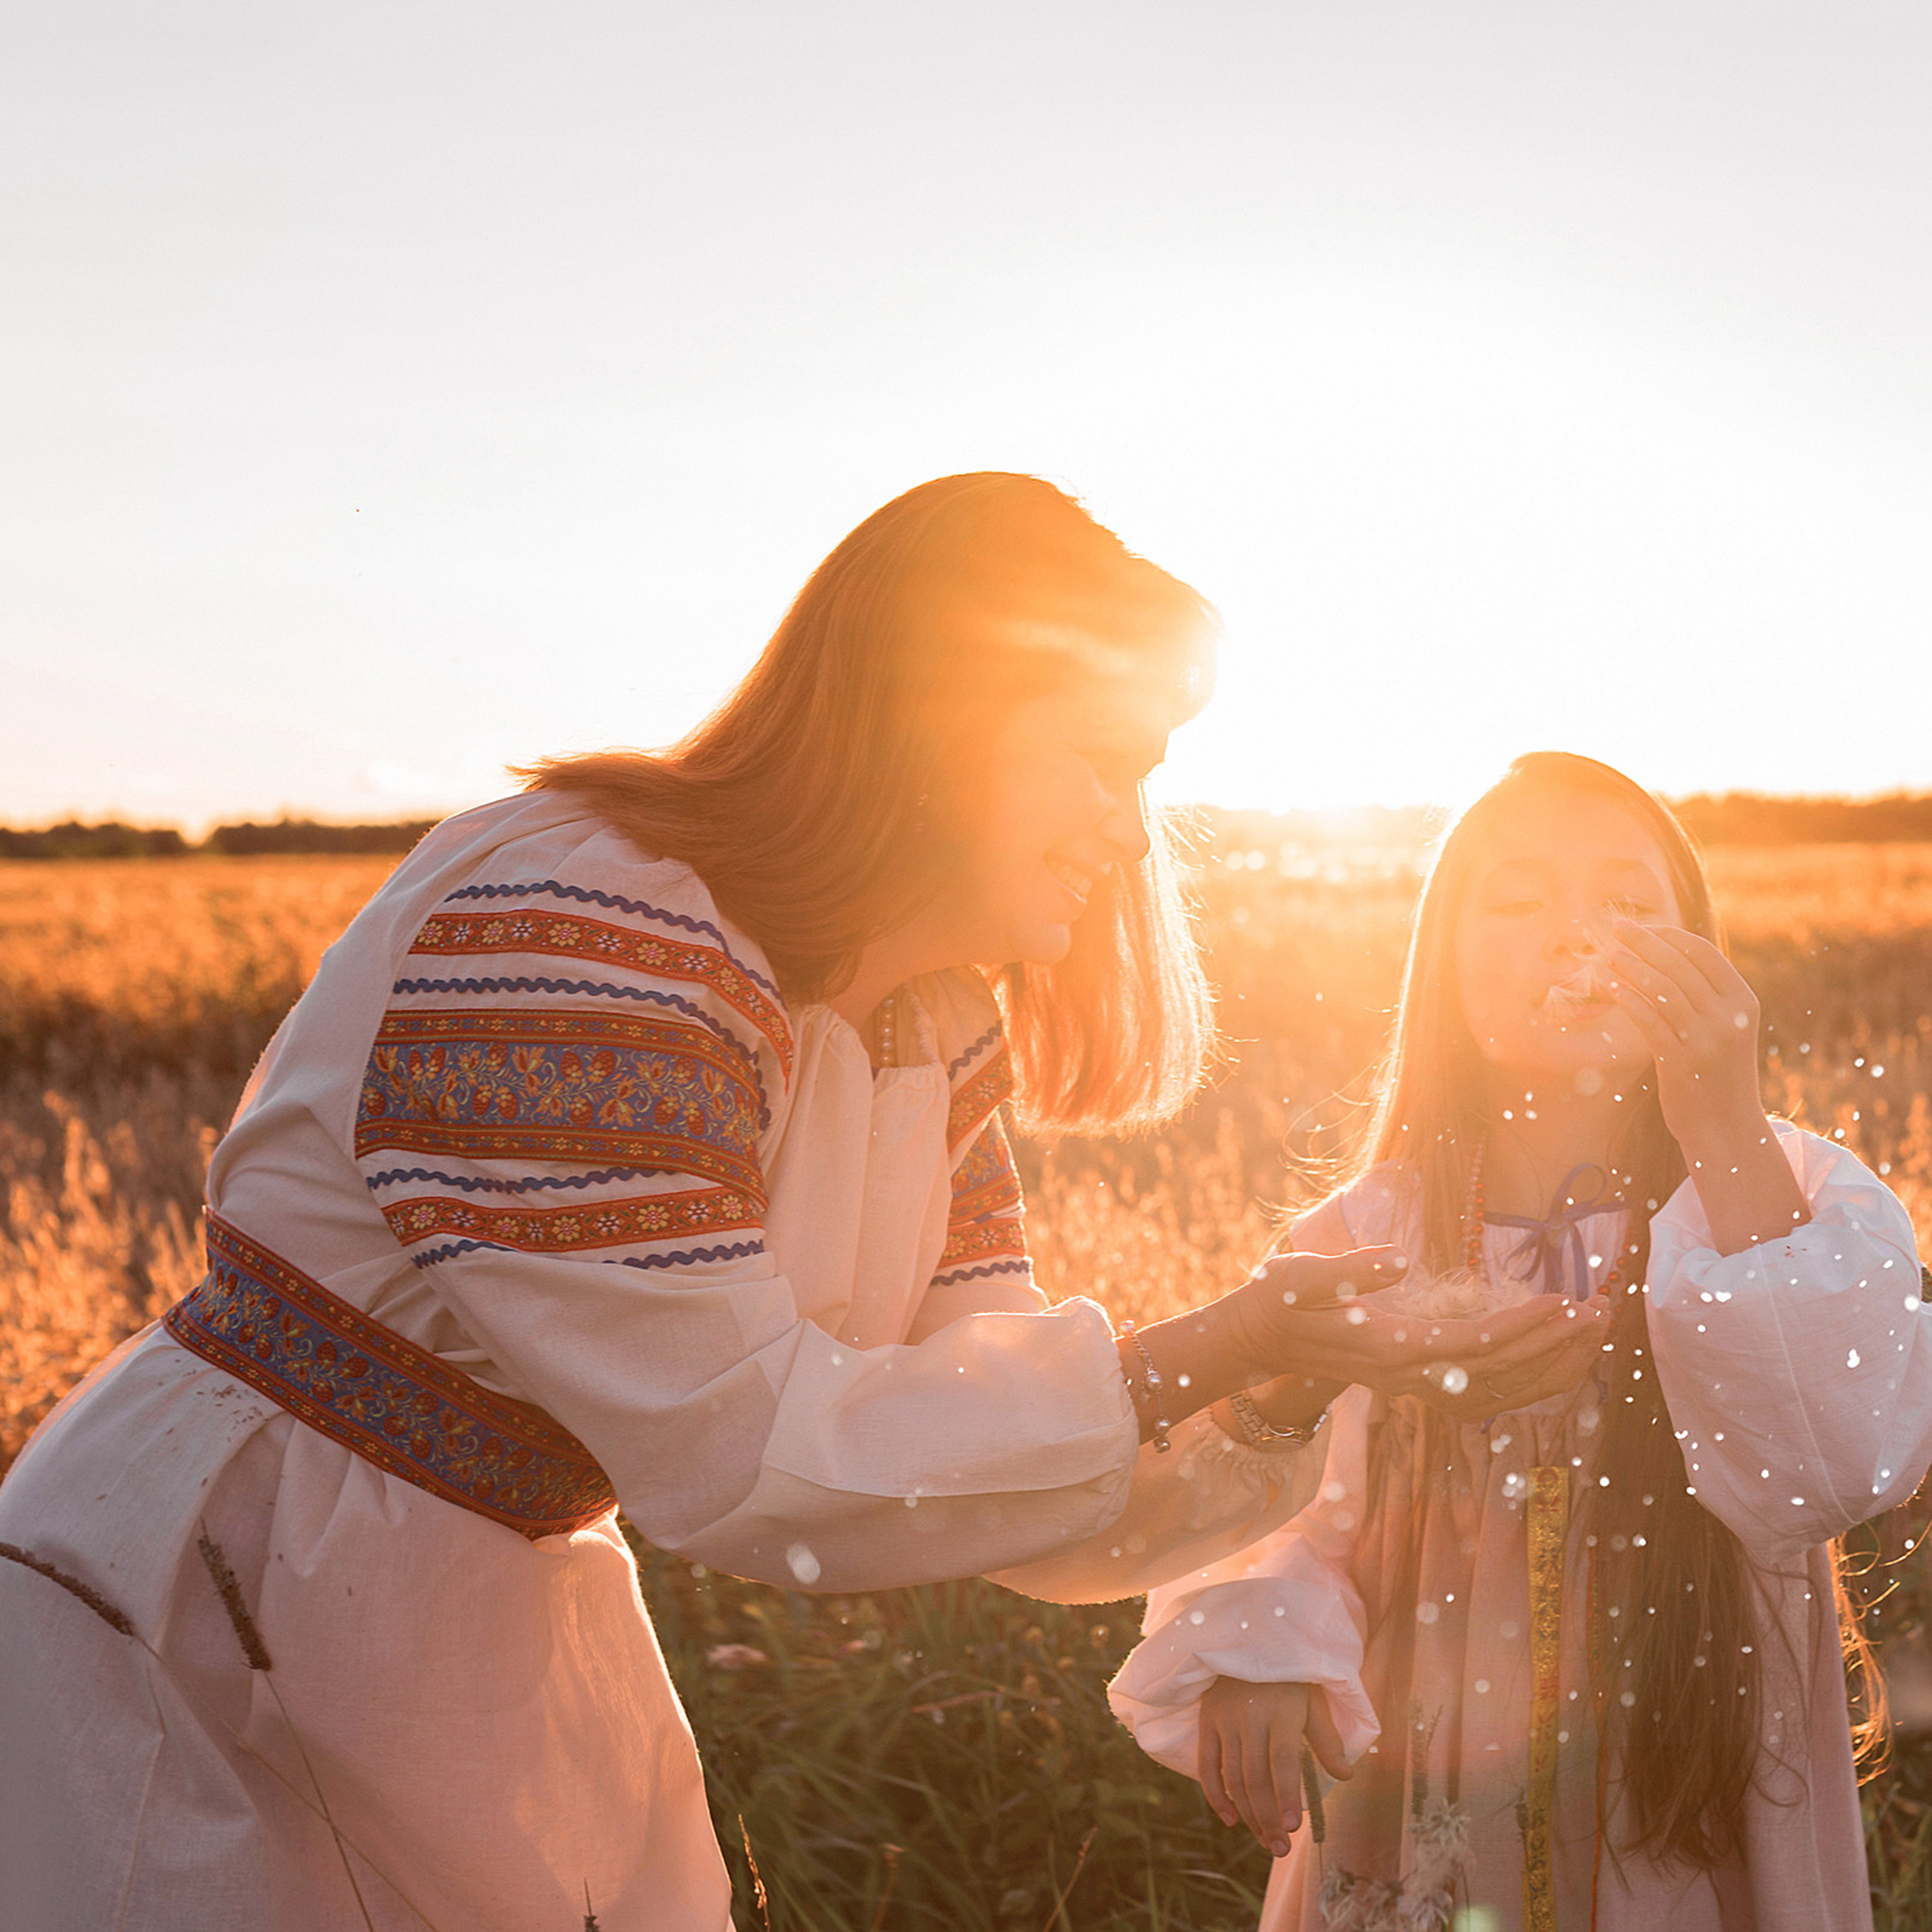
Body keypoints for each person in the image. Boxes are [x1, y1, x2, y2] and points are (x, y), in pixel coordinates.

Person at [0, 478, 1598, 1930]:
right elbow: (743, 1449)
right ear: (936, 719)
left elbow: (972, 1456)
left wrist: (1285, 1374)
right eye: (1101, 761)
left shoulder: (925, 1027)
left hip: (486, 1616)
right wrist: (1223, 1336)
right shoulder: (579, 922)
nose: (1127, 831)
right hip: (228, 1610)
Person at [1109, 751, 1931, 1931]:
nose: (1577, 934)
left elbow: (1832, 1468)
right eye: (1517, 899)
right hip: (1429, 1763)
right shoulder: (1370, 1232)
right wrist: (1258, 1641)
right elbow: (1283, 1494)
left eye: (1630, 905)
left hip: (1695, 1759)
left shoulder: (1791, 1192)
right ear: (1439, 963)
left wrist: (1720, 1121)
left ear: (1704, 959)